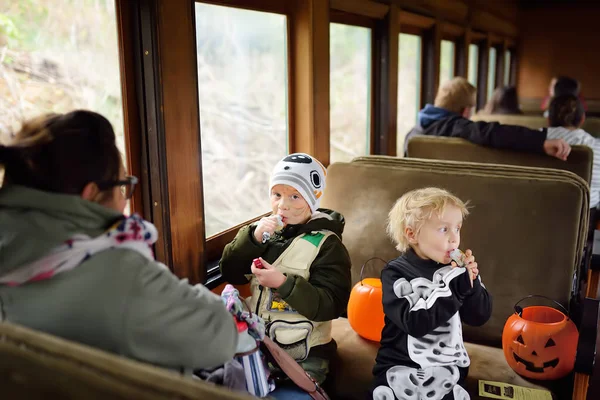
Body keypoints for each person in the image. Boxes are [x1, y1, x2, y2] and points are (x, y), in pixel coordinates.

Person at [0, 110, 237, 372]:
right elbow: (220, 336)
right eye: (122, 185)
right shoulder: (114, 268)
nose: (125, 200)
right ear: (91, 193)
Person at [220, 153, 352, 399]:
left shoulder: (327, 245)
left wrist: (283, 283)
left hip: (305, 357)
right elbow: (230, 271)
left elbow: (332, 304)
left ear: (313, 200)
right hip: (257, 347)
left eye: (295, 196)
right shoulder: (263, 234)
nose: (283, 205)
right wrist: (253, 239)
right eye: (277, 194)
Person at [372, 188, 492, 400]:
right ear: (412, 234)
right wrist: (455, 287)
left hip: (447, 369)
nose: (454, 239)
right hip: (399, 365)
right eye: (444, 230)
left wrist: (471, 285)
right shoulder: (395, 273)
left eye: (457, 228)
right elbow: (415, 323)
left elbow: (479, 316)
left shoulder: (457, 271)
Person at [404, 77, 571, 161]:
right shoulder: (456, 126)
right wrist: (540, 142)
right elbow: (493, 132)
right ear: (465, 111)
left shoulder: (413, 132)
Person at [546, 94, 600, 215]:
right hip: (585, 221)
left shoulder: (533, 143)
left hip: (536, 213)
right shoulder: (597, 147)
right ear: (582, 119)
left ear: (548, 119)